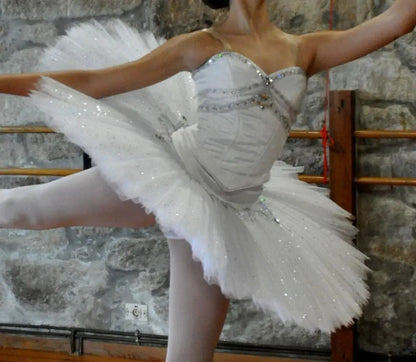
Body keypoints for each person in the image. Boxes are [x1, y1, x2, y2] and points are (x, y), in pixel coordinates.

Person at [0, 0, 415, 360]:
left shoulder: (305, 49)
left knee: (190, 357)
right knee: (23, 209)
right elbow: (95, 82)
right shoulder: (201, 44)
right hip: (175, 173)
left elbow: (399, 19)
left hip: (229, 212)